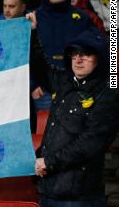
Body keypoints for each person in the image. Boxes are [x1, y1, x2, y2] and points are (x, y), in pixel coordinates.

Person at [28, 12, 119, 207]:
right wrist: (33, 32)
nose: (78, 59)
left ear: (100, 59)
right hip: (49, 189)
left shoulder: (109, 93)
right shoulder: (65, 81)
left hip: (80, 197)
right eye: (74, 54)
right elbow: (39, 68)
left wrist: (49, 162)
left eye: (86, 54)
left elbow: (90, 143)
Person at [32, 0, 93, 110]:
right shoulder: (33, 18)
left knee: (76, 129)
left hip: (77, 87)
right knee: (46, 131)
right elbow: (23, 54)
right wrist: (32, 84)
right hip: (43, 89)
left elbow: (93, 51)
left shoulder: (82, 18)